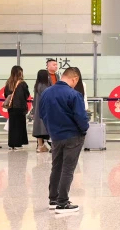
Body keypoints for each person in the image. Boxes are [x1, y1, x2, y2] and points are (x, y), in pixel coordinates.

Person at [37, 67, 89, 214]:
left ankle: (53, 199)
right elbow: (81, 117)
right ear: (75, 79)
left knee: (57, 167)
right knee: (68, 169)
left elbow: (42, 114)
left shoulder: (46, 92)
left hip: (56, 136)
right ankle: (63, 202)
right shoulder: (74, 94)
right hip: (73, 135)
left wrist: (51, 129)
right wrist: (84, 129)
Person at [4, 65, 30, 150]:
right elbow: (27, 95)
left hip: (11, 107)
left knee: (12, 125)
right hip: (20, 107)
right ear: (20, 73)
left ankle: (12, 143)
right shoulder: (22, 83)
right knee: (19, 125)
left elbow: (6, 94)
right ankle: (18, 143)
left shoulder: (8, 82)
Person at [32, 69, 51, 153]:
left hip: (37, 110)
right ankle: (52, 145)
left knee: (39, 129)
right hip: (45, 110)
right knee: (49, 128)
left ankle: (40, 146)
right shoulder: (46, 87)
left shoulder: (37, 86)